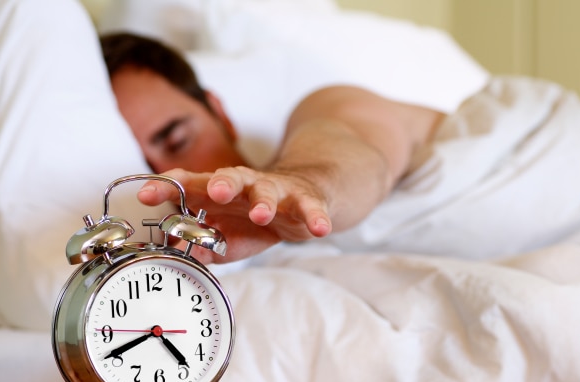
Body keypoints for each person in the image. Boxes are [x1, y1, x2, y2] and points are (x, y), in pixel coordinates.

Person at [100, 32, 445, 264]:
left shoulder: (324, 108)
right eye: (141, 168)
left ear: (219, 113)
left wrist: (308, 188)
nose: (167, 184)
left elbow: (358, 152)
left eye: (177, 141)